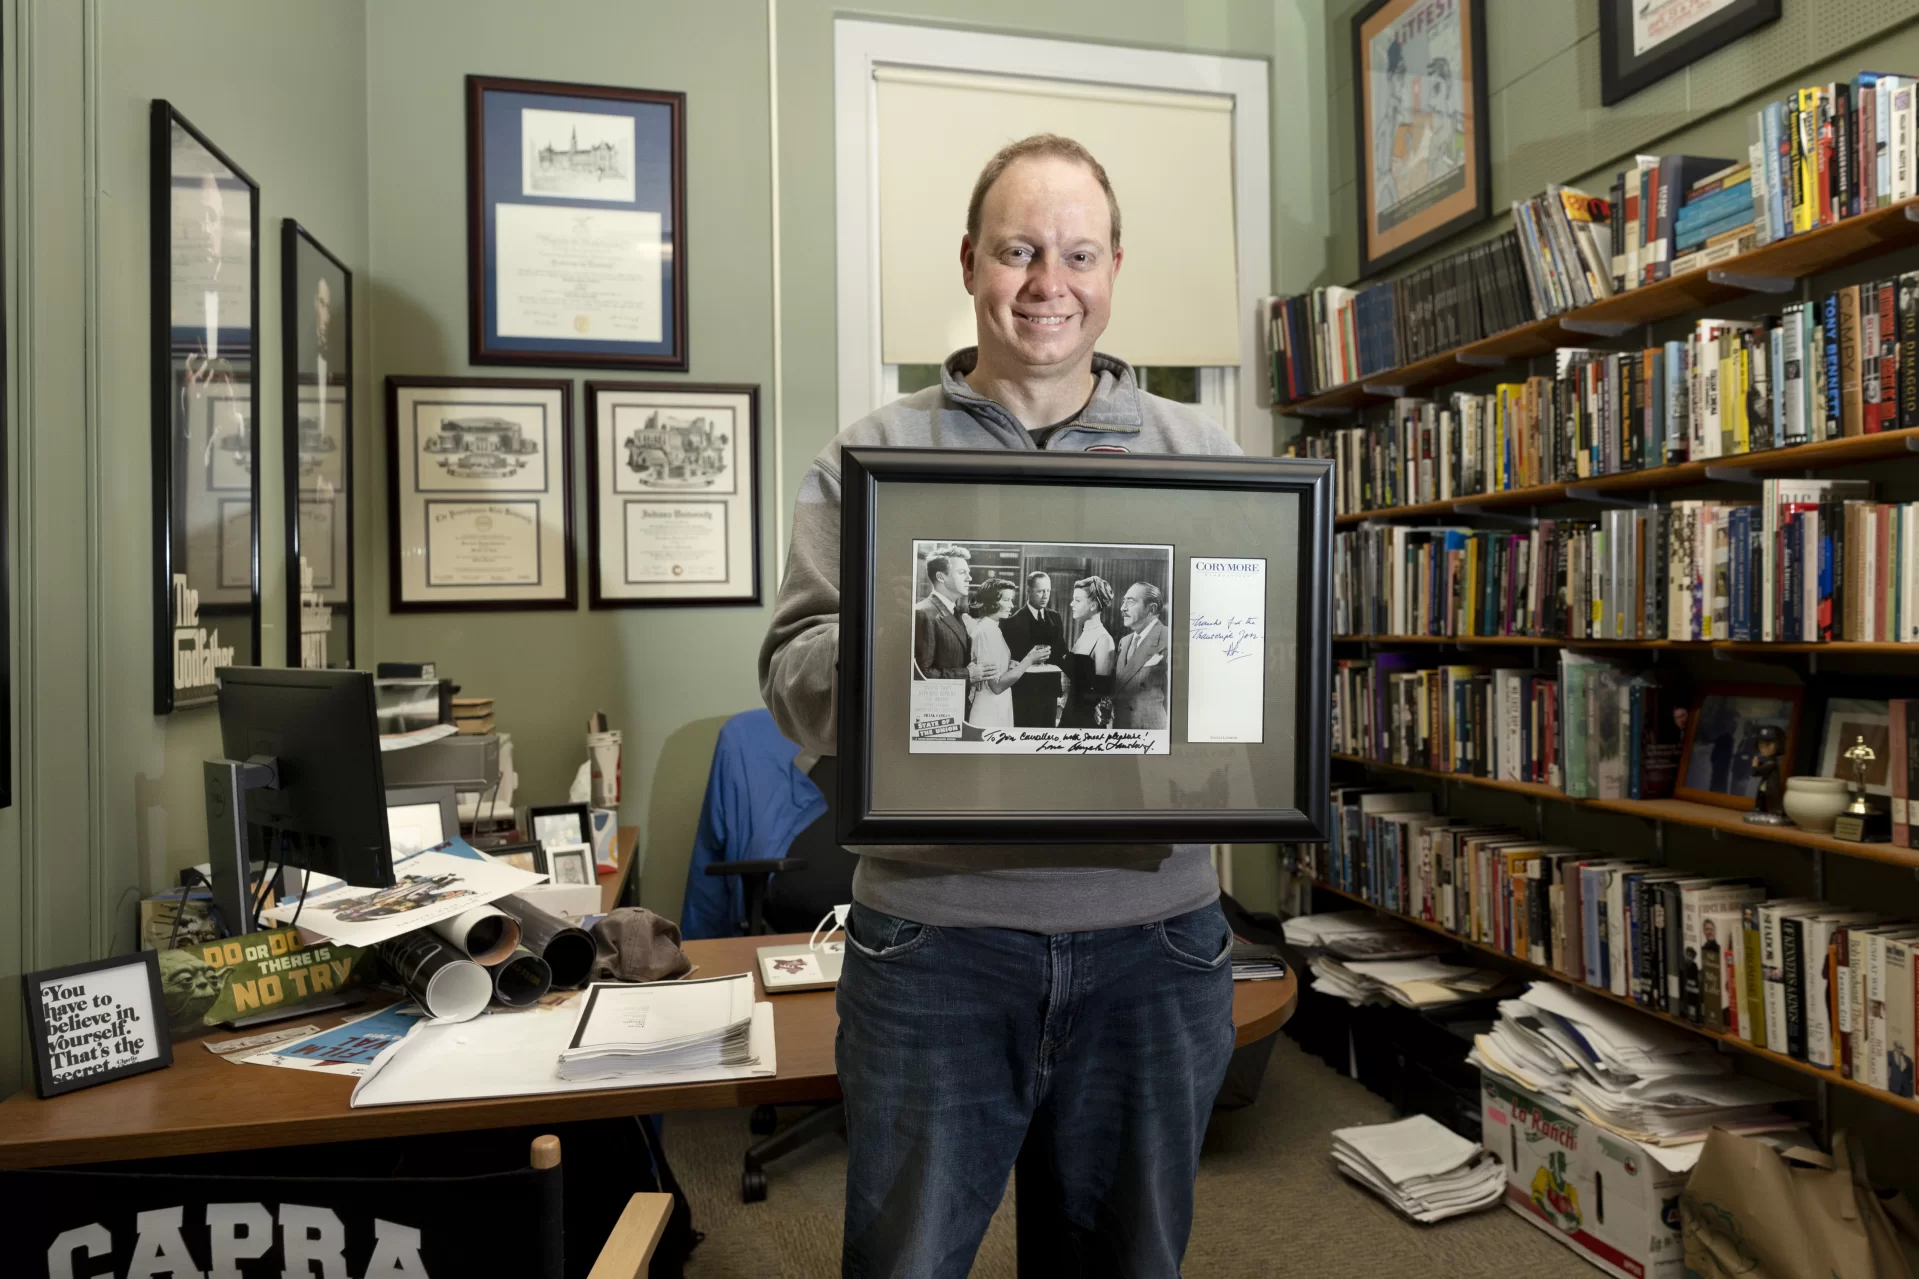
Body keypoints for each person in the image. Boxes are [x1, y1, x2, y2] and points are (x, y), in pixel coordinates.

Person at [759, 132, 1241, 1277]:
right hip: (935, 940)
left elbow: (1240, 691)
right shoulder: (869, 458)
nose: (1047, 284)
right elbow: (789, 669)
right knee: (904, 1260)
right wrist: (915, 630)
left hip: (1155, 938)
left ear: (1114, 266)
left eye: (1076, 253)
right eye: (1018, 250)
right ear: (970, 260)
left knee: (1126, 1258)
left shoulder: (1206, 457)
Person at [969, 579, 1050, 729]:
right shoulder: (985, 631)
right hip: (989, 711)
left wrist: (1009, 664)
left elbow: (994, 670)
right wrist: (1029, 659)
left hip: (997, 705)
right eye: (1006, 600)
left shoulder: (993, 628)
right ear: (992, 601)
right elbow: (997, 686)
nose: (1012, 605)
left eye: (1011, 600)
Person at [912, 547, 993, 683]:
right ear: (941, 577)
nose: (969, 578)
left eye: (968, 572)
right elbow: (922, 674)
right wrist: (967, 674)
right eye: (962, 573)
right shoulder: (923, 613)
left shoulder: (955, 611)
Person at [1002, 570, 1066, 728]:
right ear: (1029, 592)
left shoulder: (1056, 618)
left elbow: (1061, 651)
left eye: (1048, 591)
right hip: (1024, 694)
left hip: (1050, 693)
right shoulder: (1011, 622)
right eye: (1040, 591)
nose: (1045, 596)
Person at [1059, 575, 1117, 729]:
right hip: (1070, 714)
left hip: (1086, 721)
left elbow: (1102, 692)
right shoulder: (1084, 633)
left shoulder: (1104, 639)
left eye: (1077, 600)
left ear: (1092, 605)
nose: (1071, 604)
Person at [1112, 581, 1170, 730]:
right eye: (1123, 601)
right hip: (1121, 729)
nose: (1122, 608)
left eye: (1130, 602)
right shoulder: (1124, 642)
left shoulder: (1168, 638)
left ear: (1151, 609)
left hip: (1150, 733)